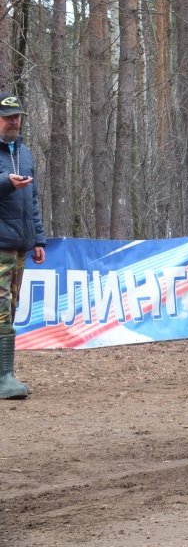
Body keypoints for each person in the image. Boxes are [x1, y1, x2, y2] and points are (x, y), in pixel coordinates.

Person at [0, 93, 45, 400]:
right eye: (8, 117)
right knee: (1, 309)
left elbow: (34, 201)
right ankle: (5, 377)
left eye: (17, 116)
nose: (14, 121)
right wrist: (5, 183)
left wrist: (38, 240)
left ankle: (6, 373)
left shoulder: (26, 153)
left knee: (11, 308)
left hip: (20, 244)